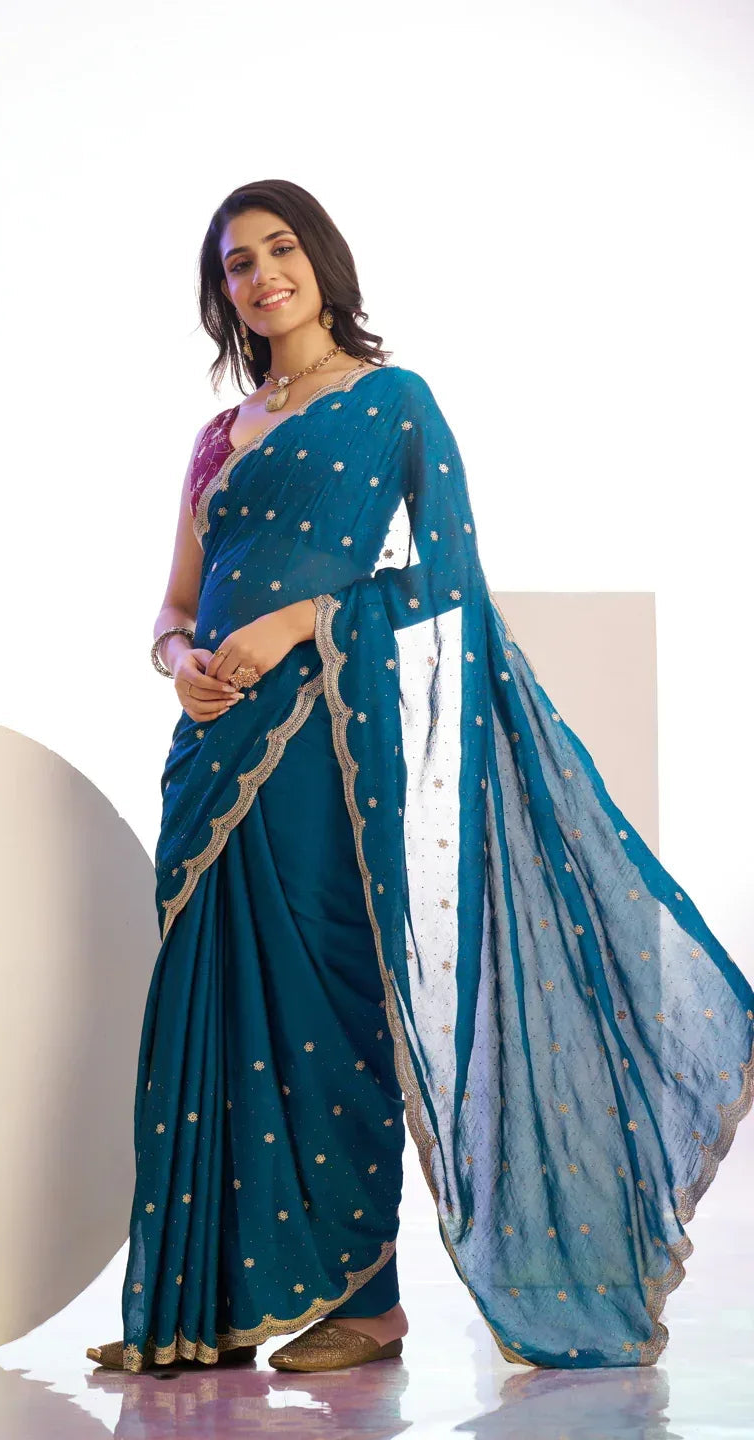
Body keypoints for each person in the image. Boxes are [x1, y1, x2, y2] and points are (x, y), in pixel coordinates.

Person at [87, 180, 754, 1376]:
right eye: (237, 263)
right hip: (211, 752)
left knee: (327, 1004)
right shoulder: (217, 438)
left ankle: (368, 1304)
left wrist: (302, 621)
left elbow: (447, 583)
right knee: (213, 1009)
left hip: (321, 745)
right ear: (221, 292)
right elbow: (174, 602)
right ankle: (208, 1306)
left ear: (321, 261)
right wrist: (179, 658)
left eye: (279, 249)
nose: (261, 276)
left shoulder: (393, 403)